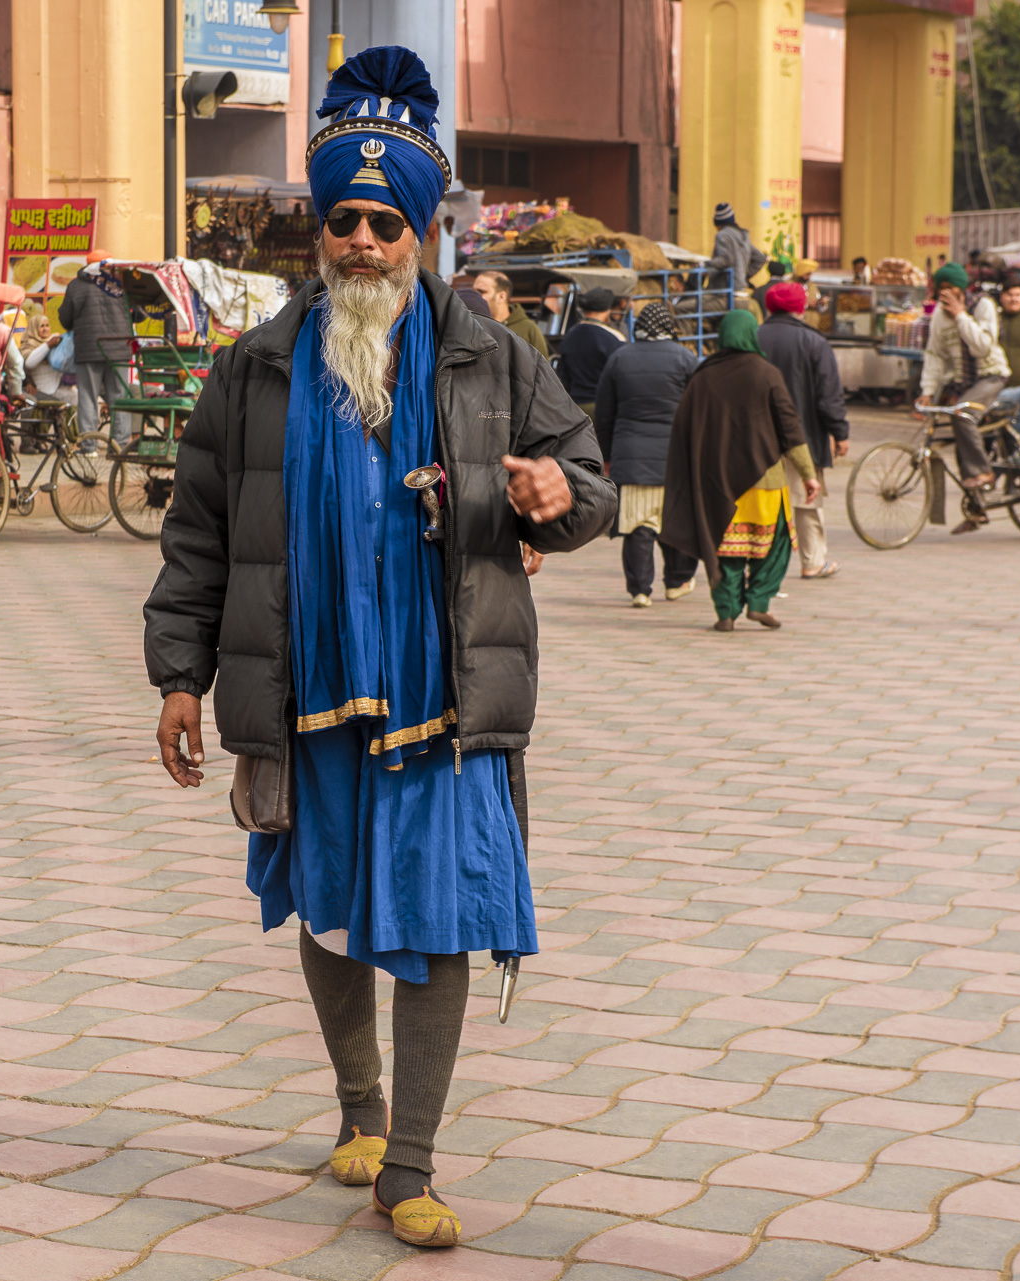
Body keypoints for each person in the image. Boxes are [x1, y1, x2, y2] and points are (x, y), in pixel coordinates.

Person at [143, 45, 612, 1253]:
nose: (361, 241)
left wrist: (545, 492)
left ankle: (409, 1165)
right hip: (301, 688)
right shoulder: (253, 367)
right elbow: (197, 529)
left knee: (441, 915)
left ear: (421, 231)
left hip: (447, 691)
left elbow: (593, 485)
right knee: (329, 903)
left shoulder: (492, 356)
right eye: (341, 219)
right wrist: (178, 676)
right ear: (319, 230)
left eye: (383, 222)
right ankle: (358, 1106)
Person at [662, 310, 818, 632]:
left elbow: (684, 429)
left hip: (717, 482)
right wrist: (808, 472)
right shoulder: (767, 373)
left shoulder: (703, 376)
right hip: (766, 480)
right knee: (775, 546)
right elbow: (789, 426)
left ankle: (726, 612)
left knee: (725, 546)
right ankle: (759, 601)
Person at [593, 300, 699, 606]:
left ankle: (640, 589)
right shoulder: (685, 358)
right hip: (674, 458)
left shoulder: (620, 358)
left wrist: (608, 455)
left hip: (631, 454)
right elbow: (697, 412)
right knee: (674, 521)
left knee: (636, 524)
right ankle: (677, 581)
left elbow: (605, 415)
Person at [756, 280, 848, 580]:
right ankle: (813, 561)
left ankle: (757, 559)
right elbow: (828, 395)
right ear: (800, 307)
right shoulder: (815, 342)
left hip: (758, 436)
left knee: (762, 498)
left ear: (769, 306)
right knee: (807, 499)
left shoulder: (755, 336)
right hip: (803, 437)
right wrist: (840, 432)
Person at [918, 263, 1011, 532]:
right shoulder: (938, 315)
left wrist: (961, 316)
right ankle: (977, 509)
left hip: (991, 376)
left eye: (951, 289)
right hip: (962, 382)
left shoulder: (983, 306)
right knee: (959, 431)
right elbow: (934, 355)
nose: (946, 294)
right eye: (942, 289)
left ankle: (983, 472)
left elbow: (983, 347)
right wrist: (926, 390)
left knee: (963, 413)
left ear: (962, 289)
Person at [57, 247, 136, 450]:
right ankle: (119, 446)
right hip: (119, 349)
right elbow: (140, 314)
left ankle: (89, 446)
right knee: (119, 397)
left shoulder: (76, 286)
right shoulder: (123, 284)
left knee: (88, 397)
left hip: (88, 349)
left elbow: (65, 319)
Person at [557, 287, 624, 417]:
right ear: (607, 310)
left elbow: (564, 376)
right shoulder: (613, 338)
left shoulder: (570, 336)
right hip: (603, 406)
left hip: (575, 407)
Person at [473, 271, 550, 358]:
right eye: (473, 291)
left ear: (501, 297)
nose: (474, 296)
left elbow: (542, 368)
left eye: (481, 292)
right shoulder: (473, 326)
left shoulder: (529, 329)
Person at [708, 202, 768, 295]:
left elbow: (725, 259)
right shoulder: (743, 236)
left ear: (718, 223)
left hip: (724, 292)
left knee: (682, 308)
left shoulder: (722, 234)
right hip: (741, 289)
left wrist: (704, 264)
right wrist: (743, 274)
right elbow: (760, 258)